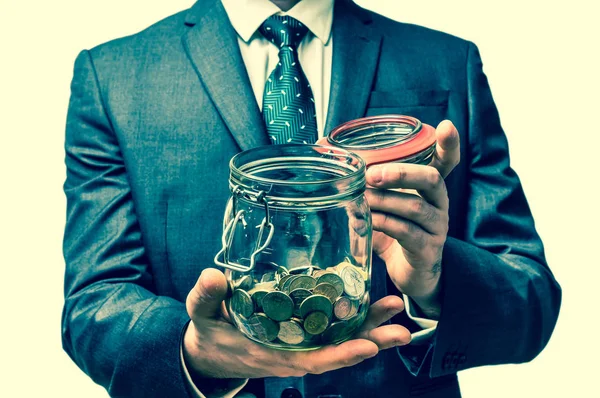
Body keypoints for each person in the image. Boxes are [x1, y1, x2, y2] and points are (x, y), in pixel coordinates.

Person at [61, 0, 562, 397]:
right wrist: (193, 352)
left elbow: (531, 301)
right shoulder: (113, 77)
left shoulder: (447, 63)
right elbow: (93, 304)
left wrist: (435, 280)